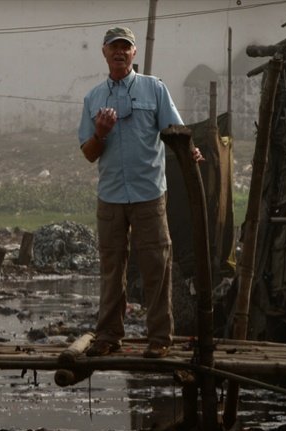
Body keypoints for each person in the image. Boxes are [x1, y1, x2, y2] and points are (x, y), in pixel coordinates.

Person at [78, 26, 203, 359]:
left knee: (156, 265)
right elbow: (89, 153)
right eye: (113, 47)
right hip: (111, 196)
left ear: (134, 54)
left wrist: (191, 152)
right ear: (104, 53)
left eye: (125, 47)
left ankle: (160, 338)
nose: (119, 52)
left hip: (149, 193)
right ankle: (107, 337)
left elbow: (176, 133)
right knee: (111, 268)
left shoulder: (154, 89)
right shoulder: (93, 98)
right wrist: (101, 133)